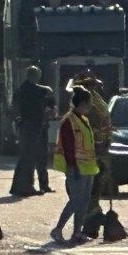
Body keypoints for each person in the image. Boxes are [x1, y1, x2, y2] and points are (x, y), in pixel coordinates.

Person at [50, 88, 101, 245]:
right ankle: (58, 229)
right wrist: (73, 166)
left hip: (88, 167)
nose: (90, 106)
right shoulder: (68, 121)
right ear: (82, 103)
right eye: (89, 103)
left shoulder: (84, 120)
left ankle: (77, 232)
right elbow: (68, 147)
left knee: (84, 201)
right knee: (76, 200)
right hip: (76, 168)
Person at [72, 71, 113, 238]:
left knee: (85, 192)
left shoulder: (88, 104)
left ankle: (95, 221)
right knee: (93, 192)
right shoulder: (99, 101)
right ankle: (92, 226)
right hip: (101, 151)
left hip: (91, 153)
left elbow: (86, 129)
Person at [10, 65, 55, 197]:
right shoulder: (26, 89)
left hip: (38, 125)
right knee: (28, 157)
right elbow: (44, 91)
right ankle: (25, 186)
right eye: (36, 75)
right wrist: (47, 90)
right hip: (30, 126)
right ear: (33, 76)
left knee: (41, 156)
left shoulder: (28, 89)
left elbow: (49, 101)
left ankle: (43, 184)